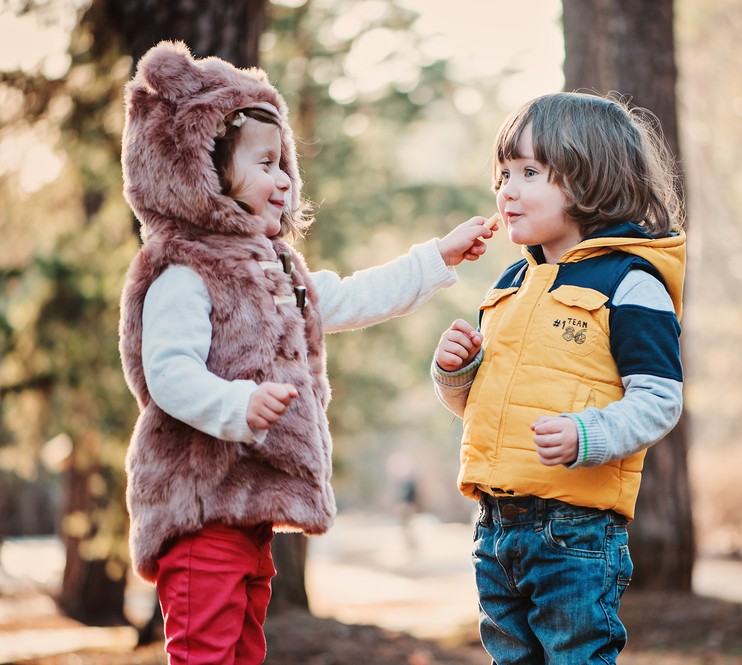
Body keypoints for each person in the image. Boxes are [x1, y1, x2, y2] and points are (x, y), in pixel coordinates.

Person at [117, 41, 494, 665]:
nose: (286, 179)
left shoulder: (278, 274)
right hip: (198, 511)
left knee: (244, 650)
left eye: (284, 163)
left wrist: (437, 257)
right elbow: (168, 374)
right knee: (204, 652)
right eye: (265, 163)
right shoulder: (183, 275)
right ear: (202, 173)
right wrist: (238, 404)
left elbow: (352, 295)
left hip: (249, 514)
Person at [431, 91, 686, 664]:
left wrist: (587, 435)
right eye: (503, 174)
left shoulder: (630, 282)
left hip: (575, 530)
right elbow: (482, 405)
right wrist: (454, 372)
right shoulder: (510, 284)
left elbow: (659, 399)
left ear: (588, 179)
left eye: (529, 173)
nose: (507, 190)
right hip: (495, 526)